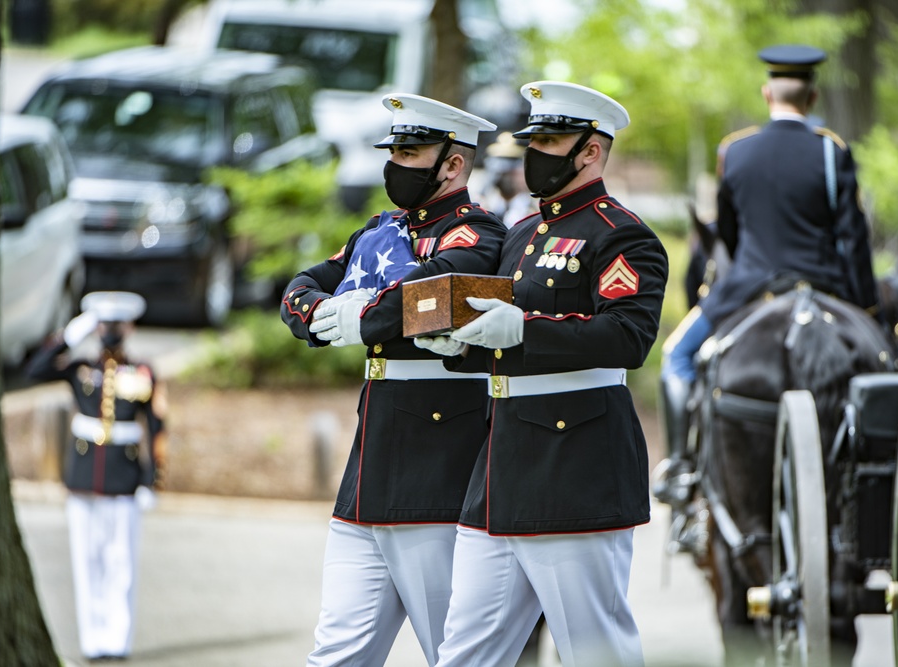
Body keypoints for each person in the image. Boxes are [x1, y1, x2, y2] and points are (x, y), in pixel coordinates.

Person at [415, 81, 668, 667]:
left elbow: (628, 337)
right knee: (465, 654)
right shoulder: (525, 234)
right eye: (534, 140)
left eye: (551, 141)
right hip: (500, 468)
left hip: (575, 461)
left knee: (595, 652)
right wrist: (456, 345)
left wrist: (524, 328)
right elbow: (499, 342)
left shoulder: (621, 233)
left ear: (591, 151)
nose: (536, 154)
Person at [279, 93, 507, 667]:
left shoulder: (476, 236)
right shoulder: (378, 231)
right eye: (394, 151)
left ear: (452, 164)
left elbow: (428, 297)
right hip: (369, 469)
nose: (395, 164)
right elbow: (302, 286)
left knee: (453, 654)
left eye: (411, 152)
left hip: (435, 471)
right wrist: (318, 314)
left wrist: (361, 315)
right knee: (336, 654)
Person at [652, 44, 881, 503]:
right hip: (823, 286)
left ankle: (679, 465)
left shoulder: (734, 151)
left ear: (766, 93)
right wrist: (865, 306)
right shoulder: (832, 151)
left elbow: (729, 234)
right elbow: (853, 239)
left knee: (676, 356)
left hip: (748, 286)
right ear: (812, 98)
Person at [26, 291, 165, 664]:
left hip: (124, 478)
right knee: (87, 561)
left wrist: (153, 480)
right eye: (103, 324)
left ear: (129, 327)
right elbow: (33, 369)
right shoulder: (80, 367)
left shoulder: (142, 373)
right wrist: (70, 335)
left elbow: (157, 427)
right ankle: (92, 639)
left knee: (121, 562)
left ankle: (117, 639)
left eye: (116, 324)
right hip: (84, 477)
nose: (109, 331)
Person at [478, 131, 535, 228]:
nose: (506, 177)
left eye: (512, 169)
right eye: (501, 172)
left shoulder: (534, 210)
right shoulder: (481, 208)